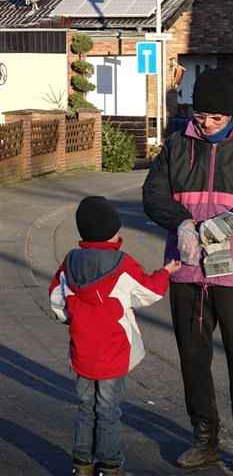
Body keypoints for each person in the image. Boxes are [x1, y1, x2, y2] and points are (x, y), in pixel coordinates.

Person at [142, 68, 233, 475]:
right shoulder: (176, 145)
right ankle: (204, 438)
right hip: (188, 270)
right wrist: (181, 223)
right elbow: (153, 194)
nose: (205, 125)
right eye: (200, 116)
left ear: (232, 114)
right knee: (192, 358)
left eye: (215, 119)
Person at [48, 196, 180, 476]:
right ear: (111, 231)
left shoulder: (70, 262)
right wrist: (165, 272)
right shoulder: (122, 264)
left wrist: (70, 318)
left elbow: (56, 300)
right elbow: (149, 292)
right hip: (114, 353)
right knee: (108, 409)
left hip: (81, 351)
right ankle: (109, 464)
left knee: (85, 407)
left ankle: (82, 463)